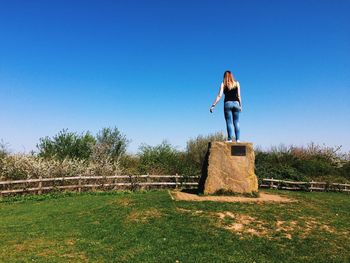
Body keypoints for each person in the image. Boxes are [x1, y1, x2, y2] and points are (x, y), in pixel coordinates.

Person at [210, 70, 242, 142]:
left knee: (229, 122)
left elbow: (219, 96)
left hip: (227, 104)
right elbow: (239, 96)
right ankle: (238, 139)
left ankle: (230, 139)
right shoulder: (237, 83)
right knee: (236, 122)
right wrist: (240, 105)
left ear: (224, 76)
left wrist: (213, 105)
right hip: (236, 104)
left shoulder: (223, 84)